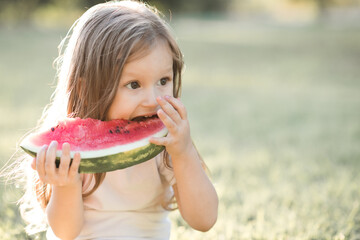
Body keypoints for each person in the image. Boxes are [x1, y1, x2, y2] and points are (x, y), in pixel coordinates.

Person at [12, 1, 218, 239]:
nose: (152, 99)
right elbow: (65, 233)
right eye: (134, 84)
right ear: (86, 88)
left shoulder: (165, 148)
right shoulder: (71, 153)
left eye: (163, 81)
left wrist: (184, 153)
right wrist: (65, 185)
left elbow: (204, 219)